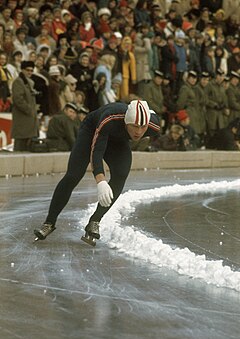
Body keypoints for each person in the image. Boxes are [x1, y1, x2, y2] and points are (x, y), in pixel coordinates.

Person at [34, 100, 160, 245]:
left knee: (121, 174)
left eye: (143, 127)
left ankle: (95, 221)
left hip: (118, 138)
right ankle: (49, 222)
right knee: (74, 175)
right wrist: (100, 180)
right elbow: (96, 152)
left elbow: (150, 114)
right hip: (93, 130)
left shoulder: (153, 125)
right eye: (135, 127)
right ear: (126, 122)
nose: (139, 132)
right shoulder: (109, 118)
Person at [11, 60, 38, 151]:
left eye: (31, 70)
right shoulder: (18, 82)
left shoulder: (29, 82)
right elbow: (18, 100)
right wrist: (29, 110)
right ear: (22, 70)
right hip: (22, 121)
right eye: (27, 70)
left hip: (29, 122)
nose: (30, 72)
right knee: (19, 148)